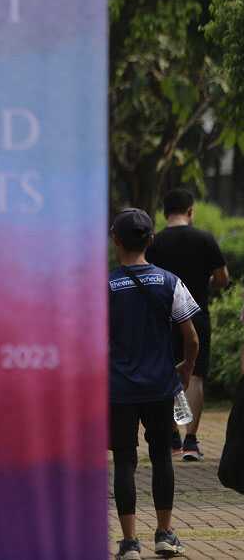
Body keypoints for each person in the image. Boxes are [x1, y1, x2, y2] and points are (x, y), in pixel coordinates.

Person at [109, 208, 200, 560]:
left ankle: (130, 543)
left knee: (124, 461)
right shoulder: (169, 282)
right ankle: (164, 534)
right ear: (151, 239)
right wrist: (186, 368)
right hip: (162, 386)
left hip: (119, 390)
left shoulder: (105, 286)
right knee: (162, 456)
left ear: (115, 239)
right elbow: (191, 338)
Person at [147, 189, 229, 460]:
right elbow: (222, 278)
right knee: (195, 376)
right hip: (197, 315)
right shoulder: (204, 239)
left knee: (168, 372)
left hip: (163, 317)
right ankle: (191, 441)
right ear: (191, 211)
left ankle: (172, 436)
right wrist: (207, 283)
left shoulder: (155, 242)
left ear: (164, 213)